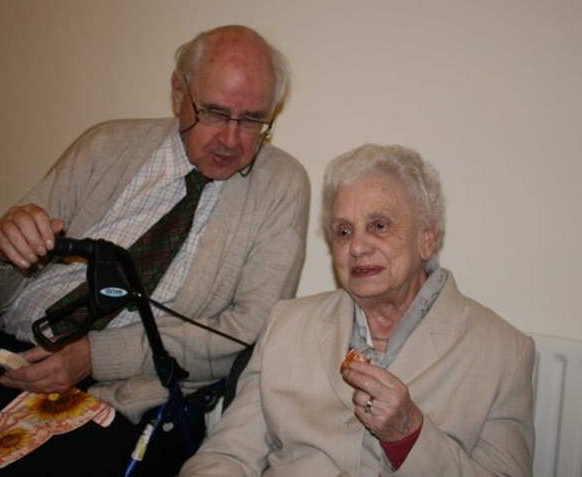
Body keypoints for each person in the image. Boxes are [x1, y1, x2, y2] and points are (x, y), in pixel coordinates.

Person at [0, 25, 310, 475]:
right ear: (179, 91)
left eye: (253, 119)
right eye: (214, 112)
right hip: (12, 355)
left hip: (118, 396)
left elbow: (245, 333)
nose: (231, 140)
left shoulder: (280, 187)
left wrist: (94, 355)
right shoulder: (105, 146)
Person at [180, 144, 535, 476]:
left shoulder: (503, 352)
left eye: (379, 226)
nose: (358, 247)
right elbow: (227, 455)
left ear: (427, 238)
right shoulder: (287, 325)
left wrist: (409, 435)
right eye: (344, 231)